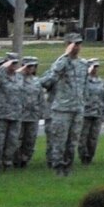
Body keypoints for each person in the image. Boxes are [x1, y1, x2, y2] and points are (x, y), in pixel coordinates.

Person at [39, 40, 89, 177]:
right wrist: (65, 55)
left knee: (72, 142)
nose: (76, 48)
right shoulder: (61, 63)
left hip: (77, 108)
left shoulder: (83, 64)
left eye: (79, 44)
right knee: (59, 141)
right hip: (62, 109)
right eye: (74, 45)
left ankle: (68, 167)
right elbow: (49, 79)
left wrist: (84, 102)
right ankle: (58, 168)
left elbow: (85, 85)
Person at [79, 60, 104, 165]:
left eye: (97, 67)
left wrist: (103, 113)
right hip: (85, 113)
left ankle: (90, 157)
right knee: (83, 138)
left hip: (97, 112)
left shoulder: (100, 81)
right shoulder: (83, 81)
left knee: (93, 138)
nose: (95, 69)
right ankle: (83, 157)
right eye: (93, 67)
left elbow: (103, 98)